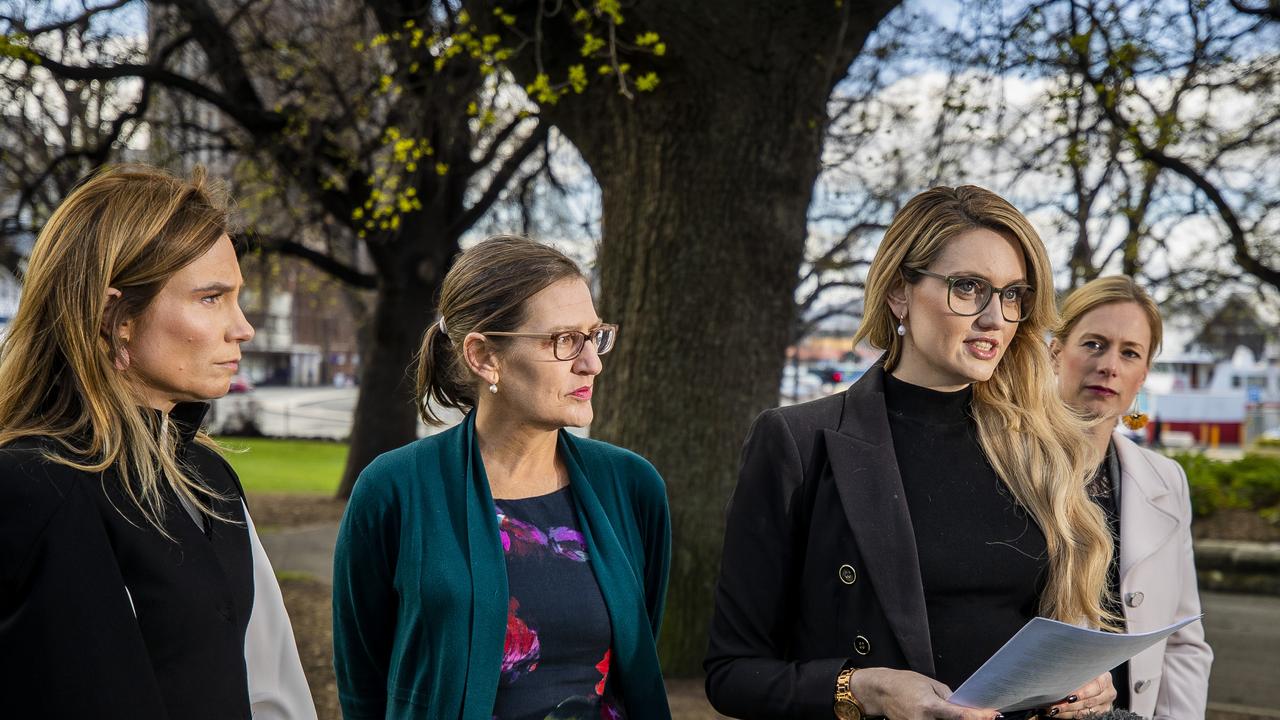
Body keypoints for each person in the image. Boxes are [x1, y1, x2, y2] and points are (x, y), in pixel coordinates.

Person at [705, 186, 1118, 720]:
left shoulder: (1040, 449)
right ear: (900, 293)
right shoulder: (798, 441)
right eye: (969, 288)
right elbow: (732, 672)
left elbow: (1051, 630)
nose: (996, 318)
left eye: (1013, 294)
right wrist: (866, 690)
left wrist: (1081, 686)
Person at [0, 165, 315, 719]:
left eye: (236, 298)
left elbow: (271, 685)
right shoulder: (32, 488)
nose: (243, 328)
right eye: (212, 298)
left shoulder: (208, 479)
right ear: (115, 316)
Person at [332, 235, 672, 719]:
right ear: (484, 356)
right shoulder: (394, 490)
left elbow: (637, 658)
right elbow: (362, 681)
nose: (592, 363)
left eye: (594, 335)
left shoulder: (632, 487)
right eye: (564, 340)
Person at [1050, 275, 1212, 719]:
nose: (1109, 366)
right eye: (1094, 344)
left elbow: (1183, 640)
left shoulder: (1167, 480)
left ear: (1143, 374)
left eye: (1130, 353)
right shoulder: (1006, 465)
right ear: (1054, 352)